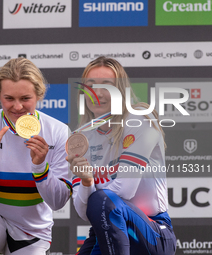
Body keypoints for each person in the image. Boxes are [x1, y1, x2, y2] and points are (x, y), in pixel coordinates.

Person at [0, 57, 72, 255]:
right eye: (9, 98)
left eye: (25, 98)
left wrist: (40, 168)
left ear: (39, 95)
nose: (17, 107)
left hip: (31, 232)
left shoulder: (58, 132)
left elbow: (58, 202)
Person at [68, 56, 176, 255]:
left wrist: (93, 190)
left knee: (102, 199)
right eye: (90, 85)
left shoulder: (139, 118)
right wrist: (86, 181)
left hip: (153, 234)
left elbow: (124, 190)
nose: (97, 93)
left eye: (107, 86)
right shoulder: (80, 137)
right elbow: (84, 212)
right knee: (100, 202)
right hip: (105, 230)